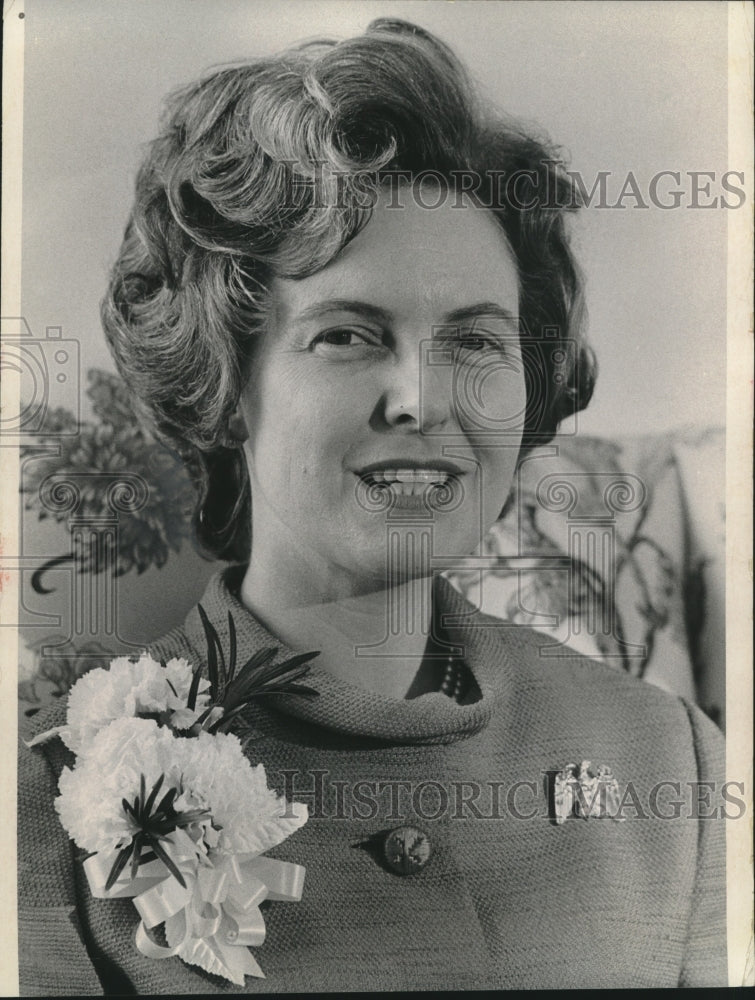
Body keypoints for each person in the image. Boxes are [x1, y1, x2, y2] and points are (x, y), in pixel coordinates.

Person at [18, 18, 726, 992]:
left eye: (476, 342)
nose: (422, 399)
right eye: (348, 334)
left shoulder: (666, 761)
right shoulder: (45, 812)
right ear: (227, 385)